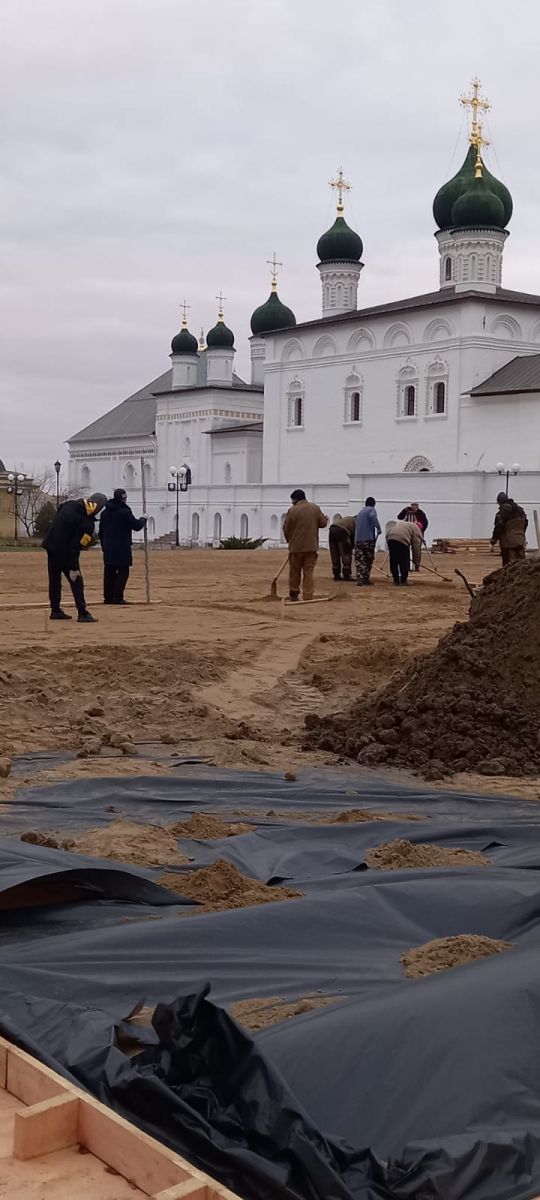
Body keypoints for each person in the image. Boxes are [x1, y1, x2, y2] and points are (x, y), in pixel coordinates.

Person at [42, 493, 107, 621]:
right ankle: (82, 612)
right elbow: (77, 546)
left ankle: (55, 610)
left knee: (54, 579)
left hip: (52, 546)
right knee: (76, 581)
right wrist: (73, 566)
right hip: (66, 552)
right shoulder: (87, 524)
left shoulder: (69, 505)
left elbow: (59, 514)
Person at [99, 489, 147, 605]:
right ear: (123, 498)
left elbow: (101, 532)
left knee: (109, 572)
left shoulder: (104, 513)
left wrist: (104, 545)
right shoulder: (125, 512)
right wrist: (143, 519)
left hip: (108, 548)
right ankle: (118, 597)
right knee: (123, 572)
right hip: (122, 547)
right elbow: (136, 526)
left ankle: (108, 597)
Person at [283, 489, 327, 601]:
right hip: (311, 547)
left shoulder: (292, 511)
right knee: (308, 572)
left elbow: (286, 529)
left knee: (294, 572)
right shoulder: (315, 508)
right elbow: (323, 523)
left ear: (295, 499)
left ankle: (294, 593)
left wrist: (290, 541)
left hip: (296, 548)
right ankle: (308, 595)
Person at [491, 492, 528, 565]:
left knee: (508, 569)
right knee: (521, 568)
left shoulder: (501, 513)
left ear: (499, 503)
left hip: (508, 545)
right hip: (520, 542)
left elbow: (498, 527)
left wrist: (493, 540)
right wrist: (521, 534)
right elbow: (525, 523)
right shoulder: (521, 511)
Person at [385, 518, 423, 586]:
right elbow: (416, 548)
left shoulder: (405, 524)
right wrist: (416, 562)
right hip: (402, 540)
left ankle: (395, 580)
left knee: (394, 560)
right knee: (404, 561)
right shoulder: (417, 530)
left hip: (390, 537)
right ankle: (403, 580)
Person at [354, 497, 381, 586]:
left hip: (358, 539)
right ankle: (365, 578)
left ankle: (359, 577)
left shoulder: (360, 512)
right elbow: (373, 517)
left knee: (359, 559)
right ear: (373, 504)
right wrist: (378, 528)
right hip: (368, 539)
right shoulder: (371, 510)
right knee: (368, 559)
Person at [328, 515, 356, 581]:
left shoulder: (348, 519)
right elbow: (354, 537)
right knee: (346, 553)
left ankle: (336, 574)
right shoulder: (356, 523)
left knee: (334, 554)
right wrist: (351, 547)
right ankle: (346, 574)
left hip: (332, 530)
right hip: (342, 531)